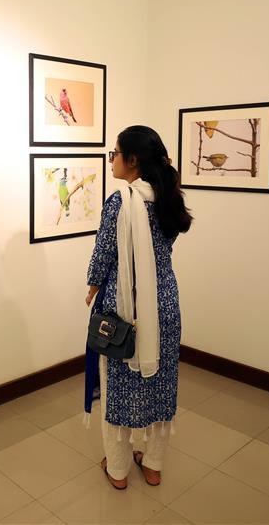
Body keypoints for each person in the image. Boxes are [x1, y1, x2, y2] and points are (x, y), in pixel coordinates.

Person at [83, 125, 193, 490]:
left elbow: (104, 253)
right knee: (160, 382)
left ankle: (117, 469)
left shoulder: (120, 202)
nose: (110, 158)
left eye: (114, 152)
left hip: (122, 308)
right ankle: (154, 464)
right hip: (164, 304)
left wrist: (93, 285)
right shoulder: (167, 198)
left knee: (118, 386)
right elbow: (169, 243)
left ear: (132, 160)